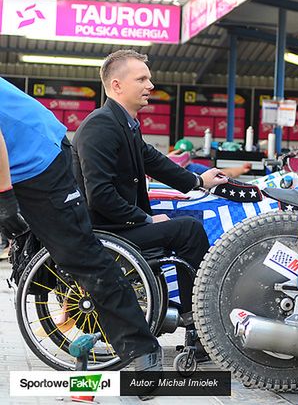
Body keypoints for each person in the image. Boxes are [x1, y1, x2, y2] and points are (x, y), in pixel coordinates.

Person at [0, 76, 162, 371]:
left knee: (79, 253)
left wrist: (5, 196)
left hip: (39, 159)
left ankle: (141, 349)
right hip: (15, 158)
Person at [72, 50, 228, 348]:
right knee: (188, 231)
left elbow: (154, 161)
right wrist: (144, 218)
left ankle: (195, 317)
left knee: (184, 224)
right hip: (105, 231)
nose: (150, 85)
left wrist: (199, 180)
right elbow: (100, 195)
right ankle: (198, 320)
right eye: (141, 79)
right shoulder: (100, 127)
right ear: (117, 85)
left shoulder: (125, 124)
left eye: (149, 78)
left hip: (117, 225)